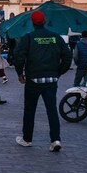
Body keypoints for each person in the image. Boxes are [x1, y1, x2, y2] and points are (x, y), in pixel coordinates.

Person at [14, 10, 72, 150]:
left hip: (33, 79)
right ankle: (55, 140)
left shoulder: (28, 38)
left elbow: (19, 57)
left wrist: (19, 73)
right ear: (44, 21)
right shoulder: (55, 37)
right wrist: (59, 72)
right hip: (51, 80)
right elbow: (67, 56)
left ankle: (27, 139)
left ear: (32, 23)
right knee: (51, 110)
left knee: (30, 110)